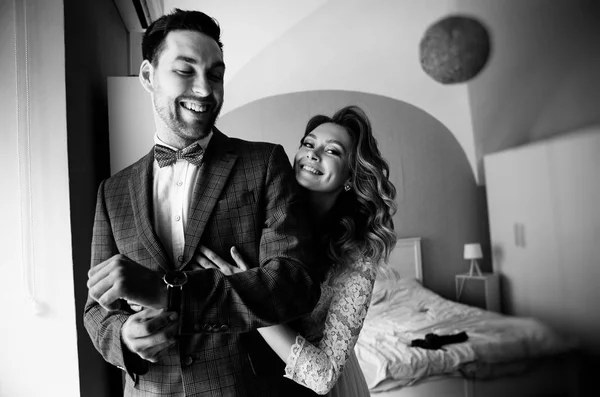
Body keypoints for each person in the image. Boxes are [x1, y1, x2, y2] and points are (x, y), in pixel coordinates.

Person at [84, 9, 323, 396]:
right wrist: (124, 335)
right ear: (148, 75)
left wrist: (169, 293)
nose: (205, 89)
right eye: (185, 70)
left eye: (215, 74)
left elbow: (295, 283)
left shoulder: (264, 164)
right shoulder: (112, 191)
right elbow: (96, 311)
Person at [197, 106, 397, 395]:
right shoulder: (260, 210)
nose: (313, 154)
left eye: (333, 151)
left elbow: (324, 376)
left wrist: (244, 297)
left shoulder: (356, 256)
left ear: (351, 178)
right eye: (308, 144)